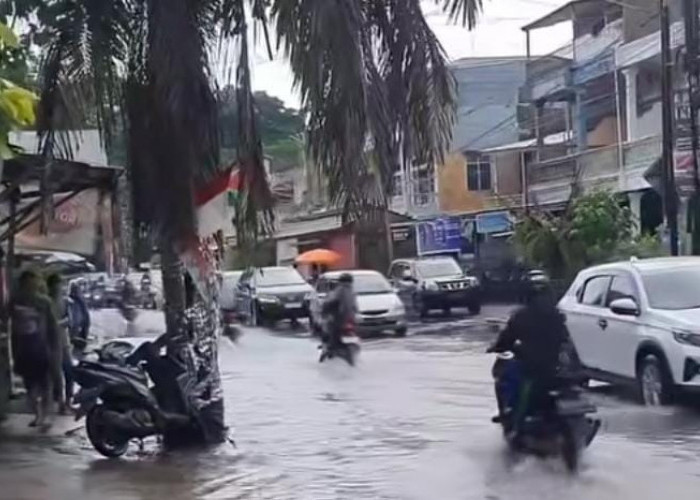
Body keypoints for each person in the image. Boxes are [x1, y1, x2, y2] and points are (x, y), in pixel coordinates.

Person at [488, 277, 569, 431]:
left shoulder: (521, 316)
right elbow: (565, 339)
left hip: (532, 366)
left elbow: (506, 338)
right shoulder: (557, 315)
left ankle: (512, 417)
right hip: (554, 365)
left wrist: (497, 347)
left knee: (510, 377)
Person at [10, 270, 61, 428]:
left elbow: (53, 326)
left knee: (45, 383)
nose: (30, 286)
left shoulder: (44, 302)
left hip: (41, 347)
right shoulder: (14, 301)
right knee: (30, 385)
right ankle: (38, 413)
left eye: (33, 282)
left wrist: (55, 348)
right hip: (23, 348)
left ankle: (44, 415)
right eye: (27, 282)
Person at [46, 274, 73, 414]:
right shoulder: (45, 302)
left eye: (61, 284)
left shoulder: (65, 301)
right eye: (57, 284)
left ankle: (68, 401)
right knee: (56, 375)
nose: (60, 287)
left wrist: (58, 324)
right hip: (50, 343)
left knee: (69, 372)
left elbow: (70, 320)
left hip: (64, 341)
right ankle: (61, 403)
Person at [321, 273, 357, 349]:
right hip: (350, 317)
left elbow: (331, 302)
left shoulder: (340, 290)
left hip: (340, 317)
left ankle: (331, 347)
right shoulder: (352, 291)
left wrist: (325, 311)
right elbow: (355, 306)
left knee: (329, 331)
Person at [68, 282, 90, 351]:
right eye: (75, 289)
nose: (78, 291)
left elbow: (85, 312)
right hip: (76, 326)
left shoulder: (80, 300)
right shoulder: (70, 300)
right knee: (77, 344)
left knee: (82, 344)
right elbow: (73, 315)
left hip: (83, 325)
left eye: (77, 289)